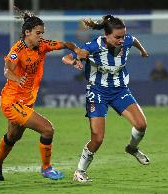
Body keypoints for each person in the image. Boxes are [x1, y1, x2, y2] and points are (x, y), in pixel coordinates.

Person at [0, 8, 88, 181]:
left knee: (13, 136)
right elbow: (7, 71)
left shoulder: (42, 45)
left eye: (42, 33)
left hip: (26, 101)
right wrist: (17, 79)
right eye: (38, 33)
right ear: (27, 32)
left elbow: (66, 44)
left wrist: (77, 51)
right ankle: (46, 168)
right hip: (12, 102)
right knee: (48, 129)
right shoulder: (17, 50)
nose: (41, 36)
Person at [62, 15, 150, 182]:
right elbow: (69, 57)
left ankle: (132, 148)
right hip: (98, 92)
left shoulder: (127, 40)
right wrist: (73, 62)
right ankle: (80, 171)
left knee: (141, 125)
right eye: (117, 37)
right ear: (106, 35)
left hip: (120, 90)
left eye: (123, 36)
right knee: (98, 138)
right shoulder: (93, 46)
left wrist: (142, 50)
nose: (122, 40)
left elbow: (134, 40)